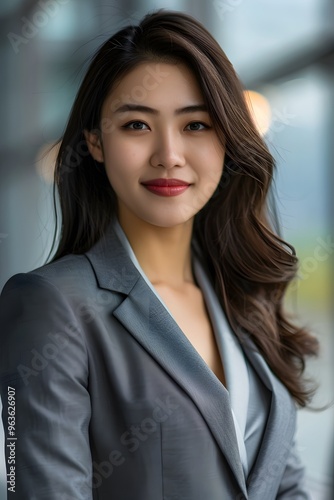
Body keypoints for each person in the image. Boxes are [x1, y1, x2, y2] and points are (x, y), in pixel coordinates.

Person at [0, 9, 319, 500]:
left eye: (195, 125)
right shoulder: (52, 304)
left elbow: (283, 481)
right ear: (95, 143)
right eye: (136, 125)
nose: (168, 154)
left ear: (228, 142)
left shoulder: (244, 295)